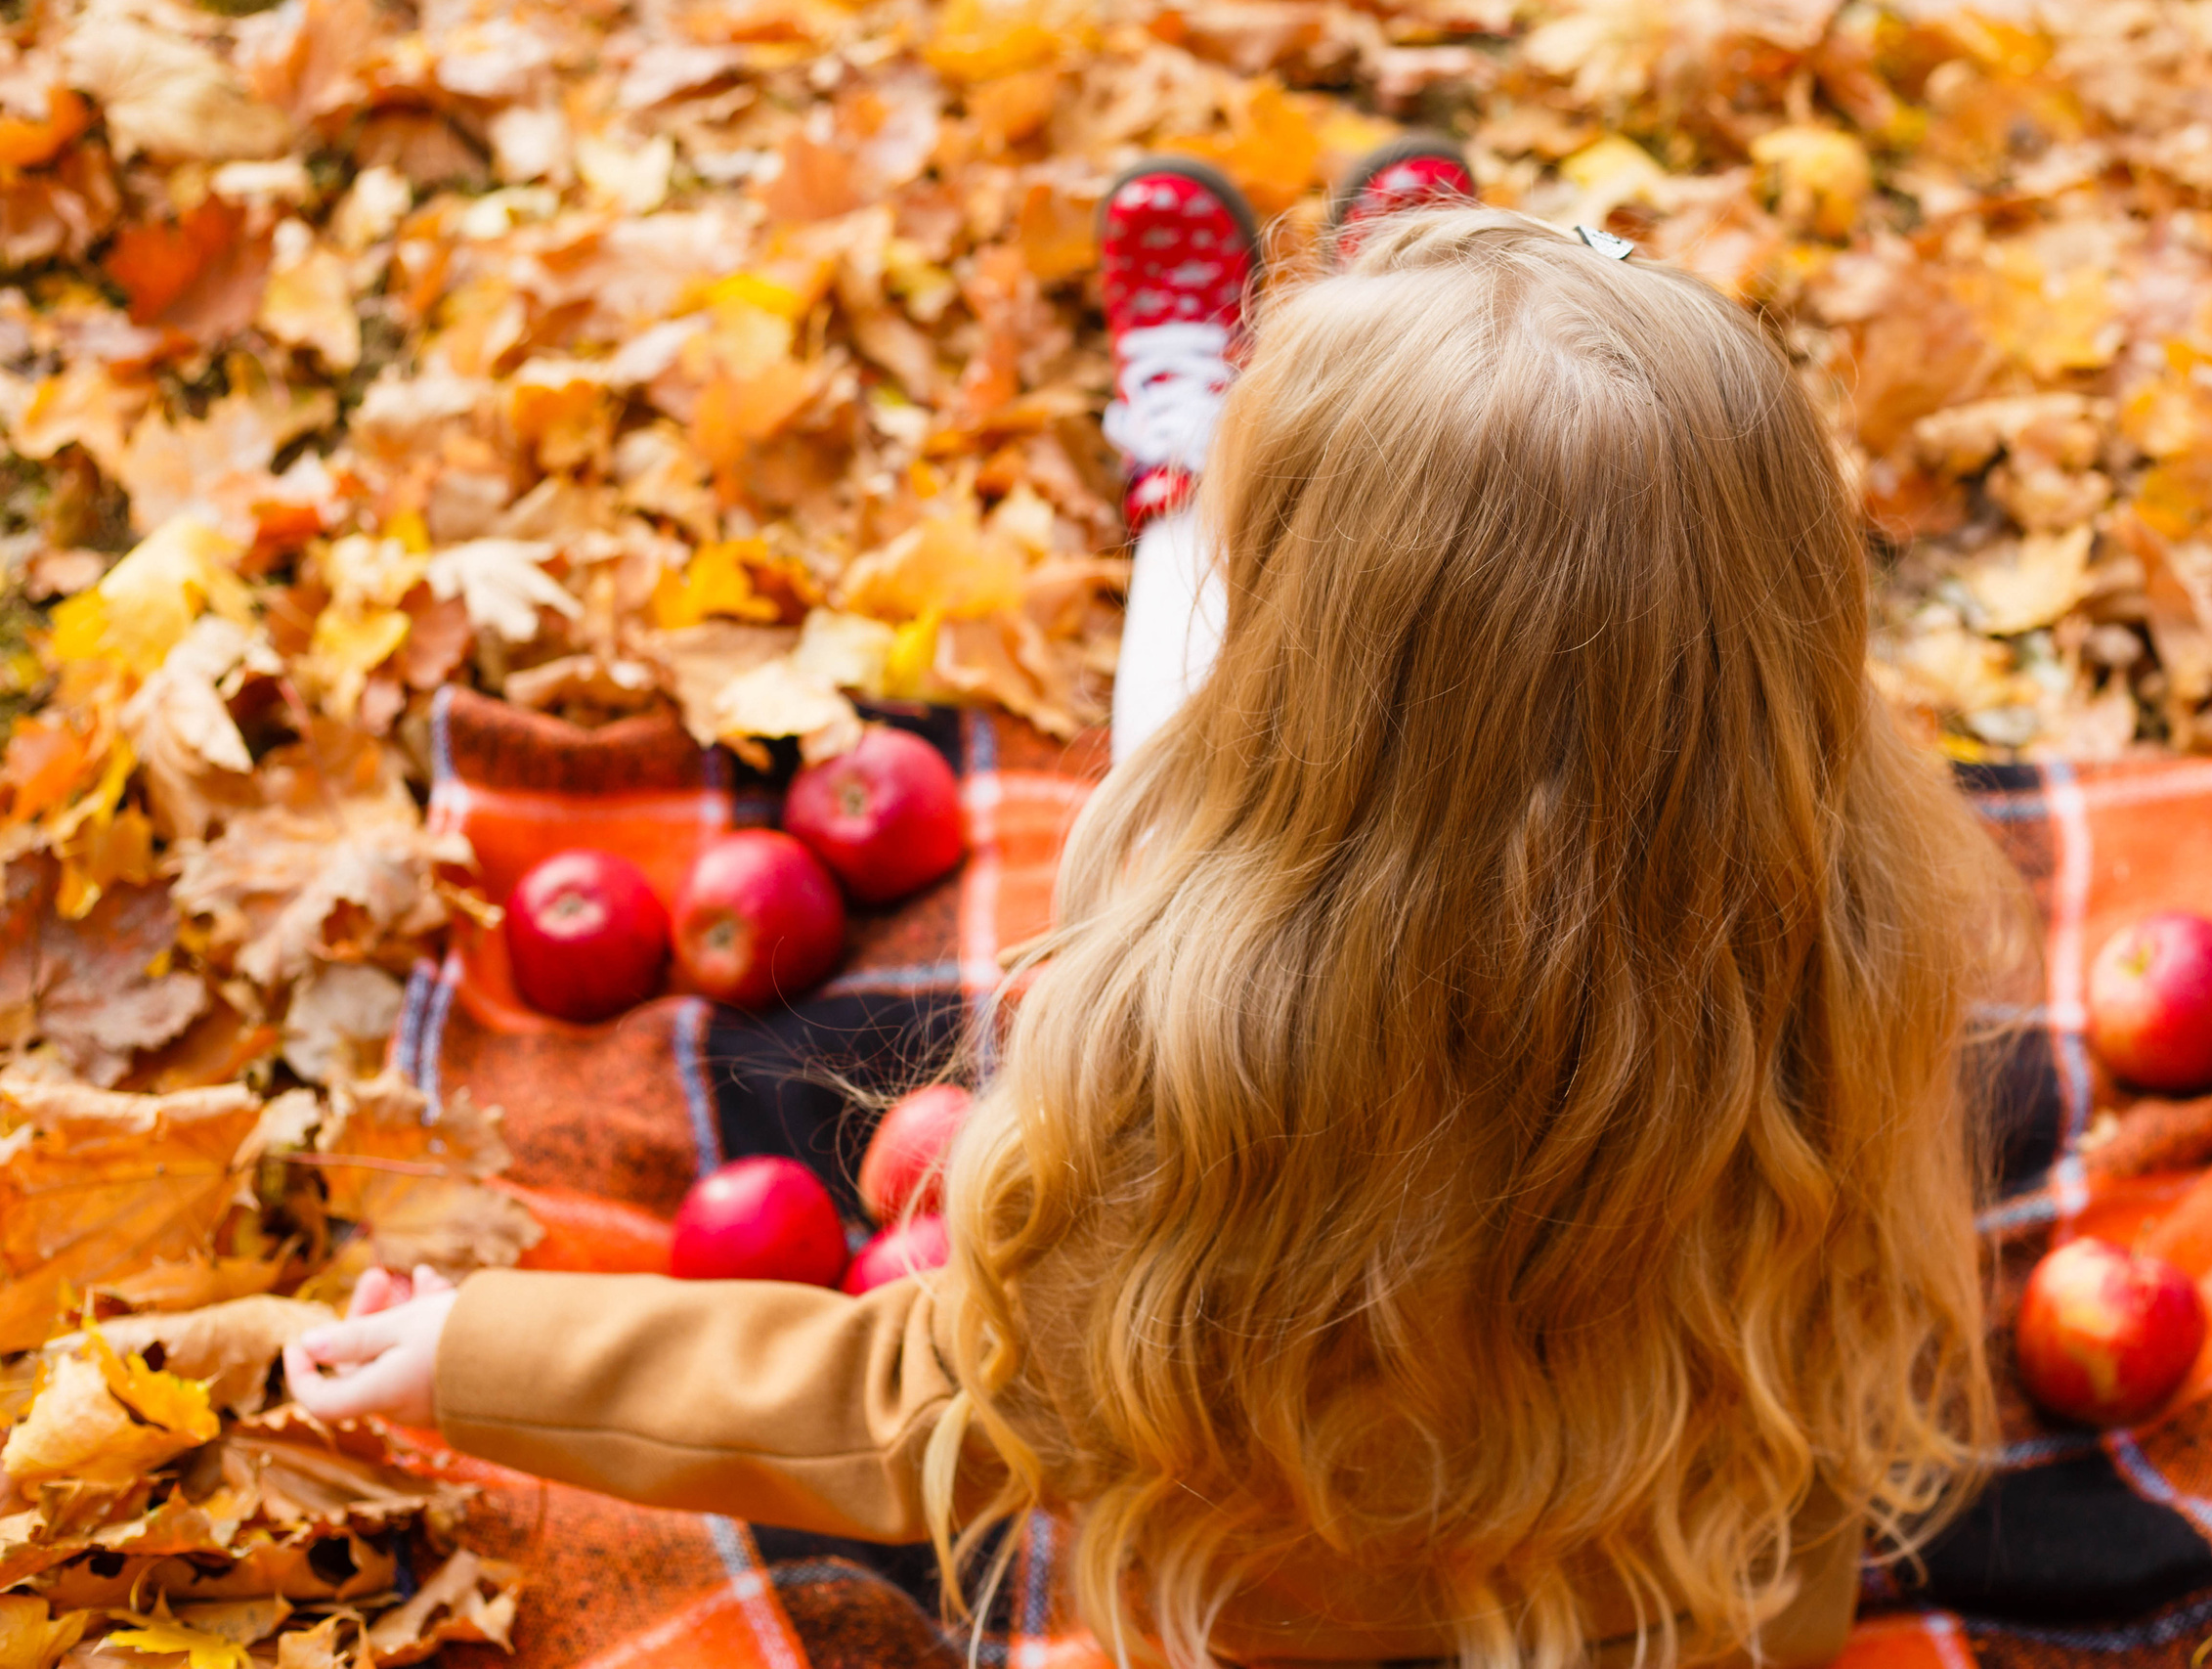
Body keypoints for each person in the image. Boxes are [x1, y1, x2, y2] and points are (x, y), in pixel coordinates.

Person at [286, 141, 2022, 1669]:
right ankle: (1381, 449)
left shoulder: (1180, 1093)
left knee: (1181, 679)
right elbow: (1794, 1557)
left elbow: (902, 1405)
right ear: (1791, 647)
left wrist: (474, 1354)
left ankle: (1192, 472)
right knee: (1533, 580)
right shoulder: (1847, 952)